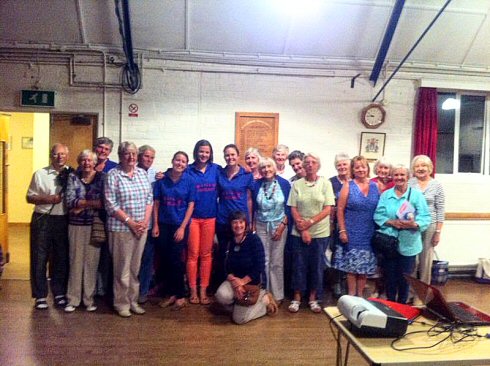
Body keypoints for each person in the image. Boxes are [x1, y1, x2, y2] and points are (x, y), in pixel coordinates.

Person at [104, 142, 153, 317]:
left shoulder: (142, 173)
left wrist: (144, 222)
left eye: (133, 153)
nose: (131, 157)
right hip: (121, 228)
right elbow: (111, 204)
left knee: (135, 268)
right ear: (120, 155)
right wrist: (131, 223)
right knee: (122, 269)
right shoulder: (113, 175)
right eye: (127, 154)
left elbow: (149, 199)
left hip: (141, 229)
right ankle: (121, 303)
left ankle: (133, 301)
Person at [374, 164, 431, 304]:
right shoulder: (386, 195)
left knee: (405, 278)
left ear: (408, 177)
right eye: (396, 175)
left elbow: (425, 217)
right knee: (390, 277)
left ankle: (402, 305)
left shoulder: (417, 195)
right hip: (389, 243)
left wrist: (415, 224)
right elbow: (378, 215)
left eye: (402, 175)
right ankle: (391, 304)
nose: (399, 178)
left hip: (409, 243)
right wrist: (392, 222)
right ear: (392, 177)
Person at [26, 143, 72, 309]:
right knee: (39, 257)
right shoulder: (40, 174)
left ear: (67, 155)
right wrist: (48, 199)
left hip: (63, 219)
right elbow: (29, 197)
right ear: (51, 156)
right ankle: (40, 296)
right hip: (42, 218)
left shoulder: (71, 174)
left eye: (63, 154)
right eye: (56, 154)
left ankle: (59, 293)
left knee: (61, 257)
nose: (60, 157)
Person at [287, 153, 335, 313]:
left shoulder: (325, 184)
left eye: (313, 162)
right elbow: (293, 207)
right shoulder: (297, 184)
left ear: (318, 165)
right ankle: (297, 298)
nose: (309, 165)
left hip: (320, 233)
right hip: (299, 232)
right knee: (298, 266)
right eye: (306, 162)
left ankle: (313, 298)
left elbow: (328, 208)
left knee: (316, 266)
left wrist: (310, 223)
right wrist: (303, 229)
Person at [214, 211, 278, 324]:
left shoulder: (254, 240)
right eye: (235, 222)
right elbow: (222, 266)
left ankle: (264, 301)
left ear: (246, 224)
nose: (238, 225)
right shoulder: (227, 241)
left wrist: (242, 282)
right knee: (221, 296)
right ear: (230, 224)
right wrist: (234, 281)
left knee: (239, 320)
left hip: (252, 283)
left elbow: (259, 266)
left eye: (241, 222)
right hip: (234, 282)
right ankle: (240, 307)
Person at [153, 151, 196, 310]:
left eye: (184, 162)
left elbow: (191, 205)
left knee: (176, 260)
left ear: (186, 165)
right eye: (178, 160)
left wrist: (183, 227)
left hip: (180, 226)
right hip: (163, 225)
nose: (180, 163)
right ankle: (170, 293)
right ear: (172, 161)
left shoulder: (189, 181)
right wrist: (156, 225)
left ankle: (180, 295)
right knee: (165, 260)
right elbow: (156, 203)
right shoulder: (162, 179)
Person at [64, 150, 105, 312]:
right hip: (75, 225)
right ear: (80, 162)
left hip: (95, 226)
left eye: (89, 160)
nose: (87, 163)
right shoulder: (73, 177)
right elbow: (69, 201)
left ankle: (88, 299)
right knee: (75, 261)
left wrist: (80, 206)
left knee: (91, 263)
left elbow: (103, 202)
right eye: (84, 160)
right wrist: (89, 203)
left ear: (95, 162)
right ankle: (73, 299)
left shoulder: (102, 178)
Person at [334, 156, 379, 297]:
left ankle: (360, 296)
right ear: (353, 169)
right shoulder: (348, 185)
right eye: (357, 167)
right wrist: (342, 230)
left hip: (369, 232)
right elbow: (340, 209)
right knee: (352, 267)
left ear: (368, 168)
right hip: (351, 231)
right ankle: (351, 296)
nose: (361, 169)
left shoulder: (375, 186)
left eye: (363, 166)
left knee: (364, 267)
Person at [186, 140, 220, 305]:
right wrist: (163, 174)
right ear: (196, 152)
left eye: (207, 152)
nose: (204, 155)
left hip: (210, 217)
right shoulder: (188, 169)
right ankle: (192, 290)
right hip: (192, 218)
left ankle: (203, 290)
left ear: (210, 153)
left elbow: (231, 173)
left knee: (206, 255)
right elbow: (174, 173)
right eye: (201, 151)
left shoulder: (216, 169)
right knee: (192, 254)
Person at [215, 144, 254, 287]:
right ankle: (222, 285)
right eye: (227, 155)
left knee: (239, 254)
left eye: (233, 155)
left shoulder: (247, 174)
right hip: (223, 220)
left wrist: (249, 221)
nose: (230, 157)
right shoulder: (219, 173)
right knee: (222, 254)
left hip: (240, 222)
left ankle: (241, 284)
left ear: (238, 156)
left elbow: (249, 199)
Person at [252, 158, 290, 303]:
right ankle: (265, 293)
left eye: (269, 167)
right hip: (261, 225)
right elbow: (254, 207)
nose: (266, 170)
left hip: (279, 224)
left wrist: (281, 226)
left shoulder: (284, 184)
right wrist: (253, 225)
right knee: (264, 260)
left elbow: (289, 207)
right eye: (263, 167)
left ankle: (278, 295)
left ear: (274, 168)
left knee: (276, 262)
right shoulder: (256, 184)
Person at [409, 155, 445, 285]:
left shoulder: (437, 185)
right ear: (413, 169)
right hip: (412, 225)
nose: (420, 168)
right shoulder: (410, 183)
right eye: (417, 166)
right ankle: (410, 292)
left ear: (429, 168)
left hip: (430, 226)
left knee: (425, 261)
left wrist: (438, 232)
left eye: (423, 166)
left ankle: (422, 295)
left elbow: (440, 210)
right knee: (412, 260)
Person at [137, 145, 162, 304]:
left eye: (152, 157)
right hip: (132, 224)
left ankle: (142, 292)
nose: (149, 160)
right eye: (146, 156)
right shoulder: (132, 171)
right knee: (132, 262)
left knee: (147, 260)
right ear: (139, 156)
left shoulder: (156, 175)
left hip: (150, 224)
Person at [93, 137, 117, 299]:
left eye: (106, 149)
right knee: (92, 253)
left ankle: (106, 290)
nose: (103, 151)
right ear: (95, 148)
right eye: (100, 148)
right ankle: (92, 288)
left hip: (110, 216)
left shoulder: (115, 167)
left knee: (108, 255)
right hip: (90, 216)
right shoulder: (87, 163)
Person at [329, 153, 351, 298]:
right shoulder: (331, 182)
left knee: (350, 252)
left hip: (353, 222)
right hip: (336, 223)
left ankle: (347, 283)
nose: (342, 167)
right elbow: (330, 205)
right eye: (339, 165)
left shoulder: (354, 181)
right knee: (337, 252)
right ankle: (336, 282)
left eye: (345, 164)